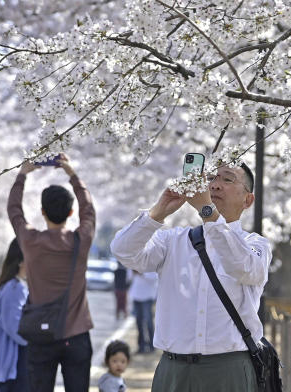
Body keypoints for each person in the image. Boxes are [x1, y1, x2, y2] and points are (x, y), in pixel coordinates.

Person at [110, 162, 271, 392]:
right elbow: (123, 250)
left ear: (248, 200)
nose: (215, 185)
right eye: (211, 179)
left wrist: (208, 210)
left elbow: (243, 267)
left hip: (229, 368)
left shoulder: (255, 245)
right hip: (173, 368)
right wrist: (158, 212)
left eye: (227, 179)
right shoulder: (172, 240)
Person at [6, 154, 95, 392]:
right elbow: (89, 210)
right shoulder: (81, 240)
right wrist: (72, 174)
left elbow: (14, 210)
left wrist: (22, 175)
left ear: (43, 212)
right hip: (76, 335)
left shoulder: (31, 241)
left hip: (41, 335)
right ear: (70, 213)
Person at [0, 238, 29, 392]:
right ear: (21, 260)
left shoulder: (17, 286)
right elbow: (16, 329)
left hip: (12, 367)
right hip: (12, 367)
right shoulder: (14, 289)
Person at [129, 270, 158, 353]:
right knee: (138, 322)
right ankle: (141, 346)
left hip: (148, 296)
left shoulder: (151, 261)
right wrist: (133, 272)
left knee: (148, 322)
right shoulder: (135, 261)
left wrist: (142, 273)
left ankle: (152, 346)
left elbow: (155, 278)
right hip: (136, 295)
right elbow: (129, 278)